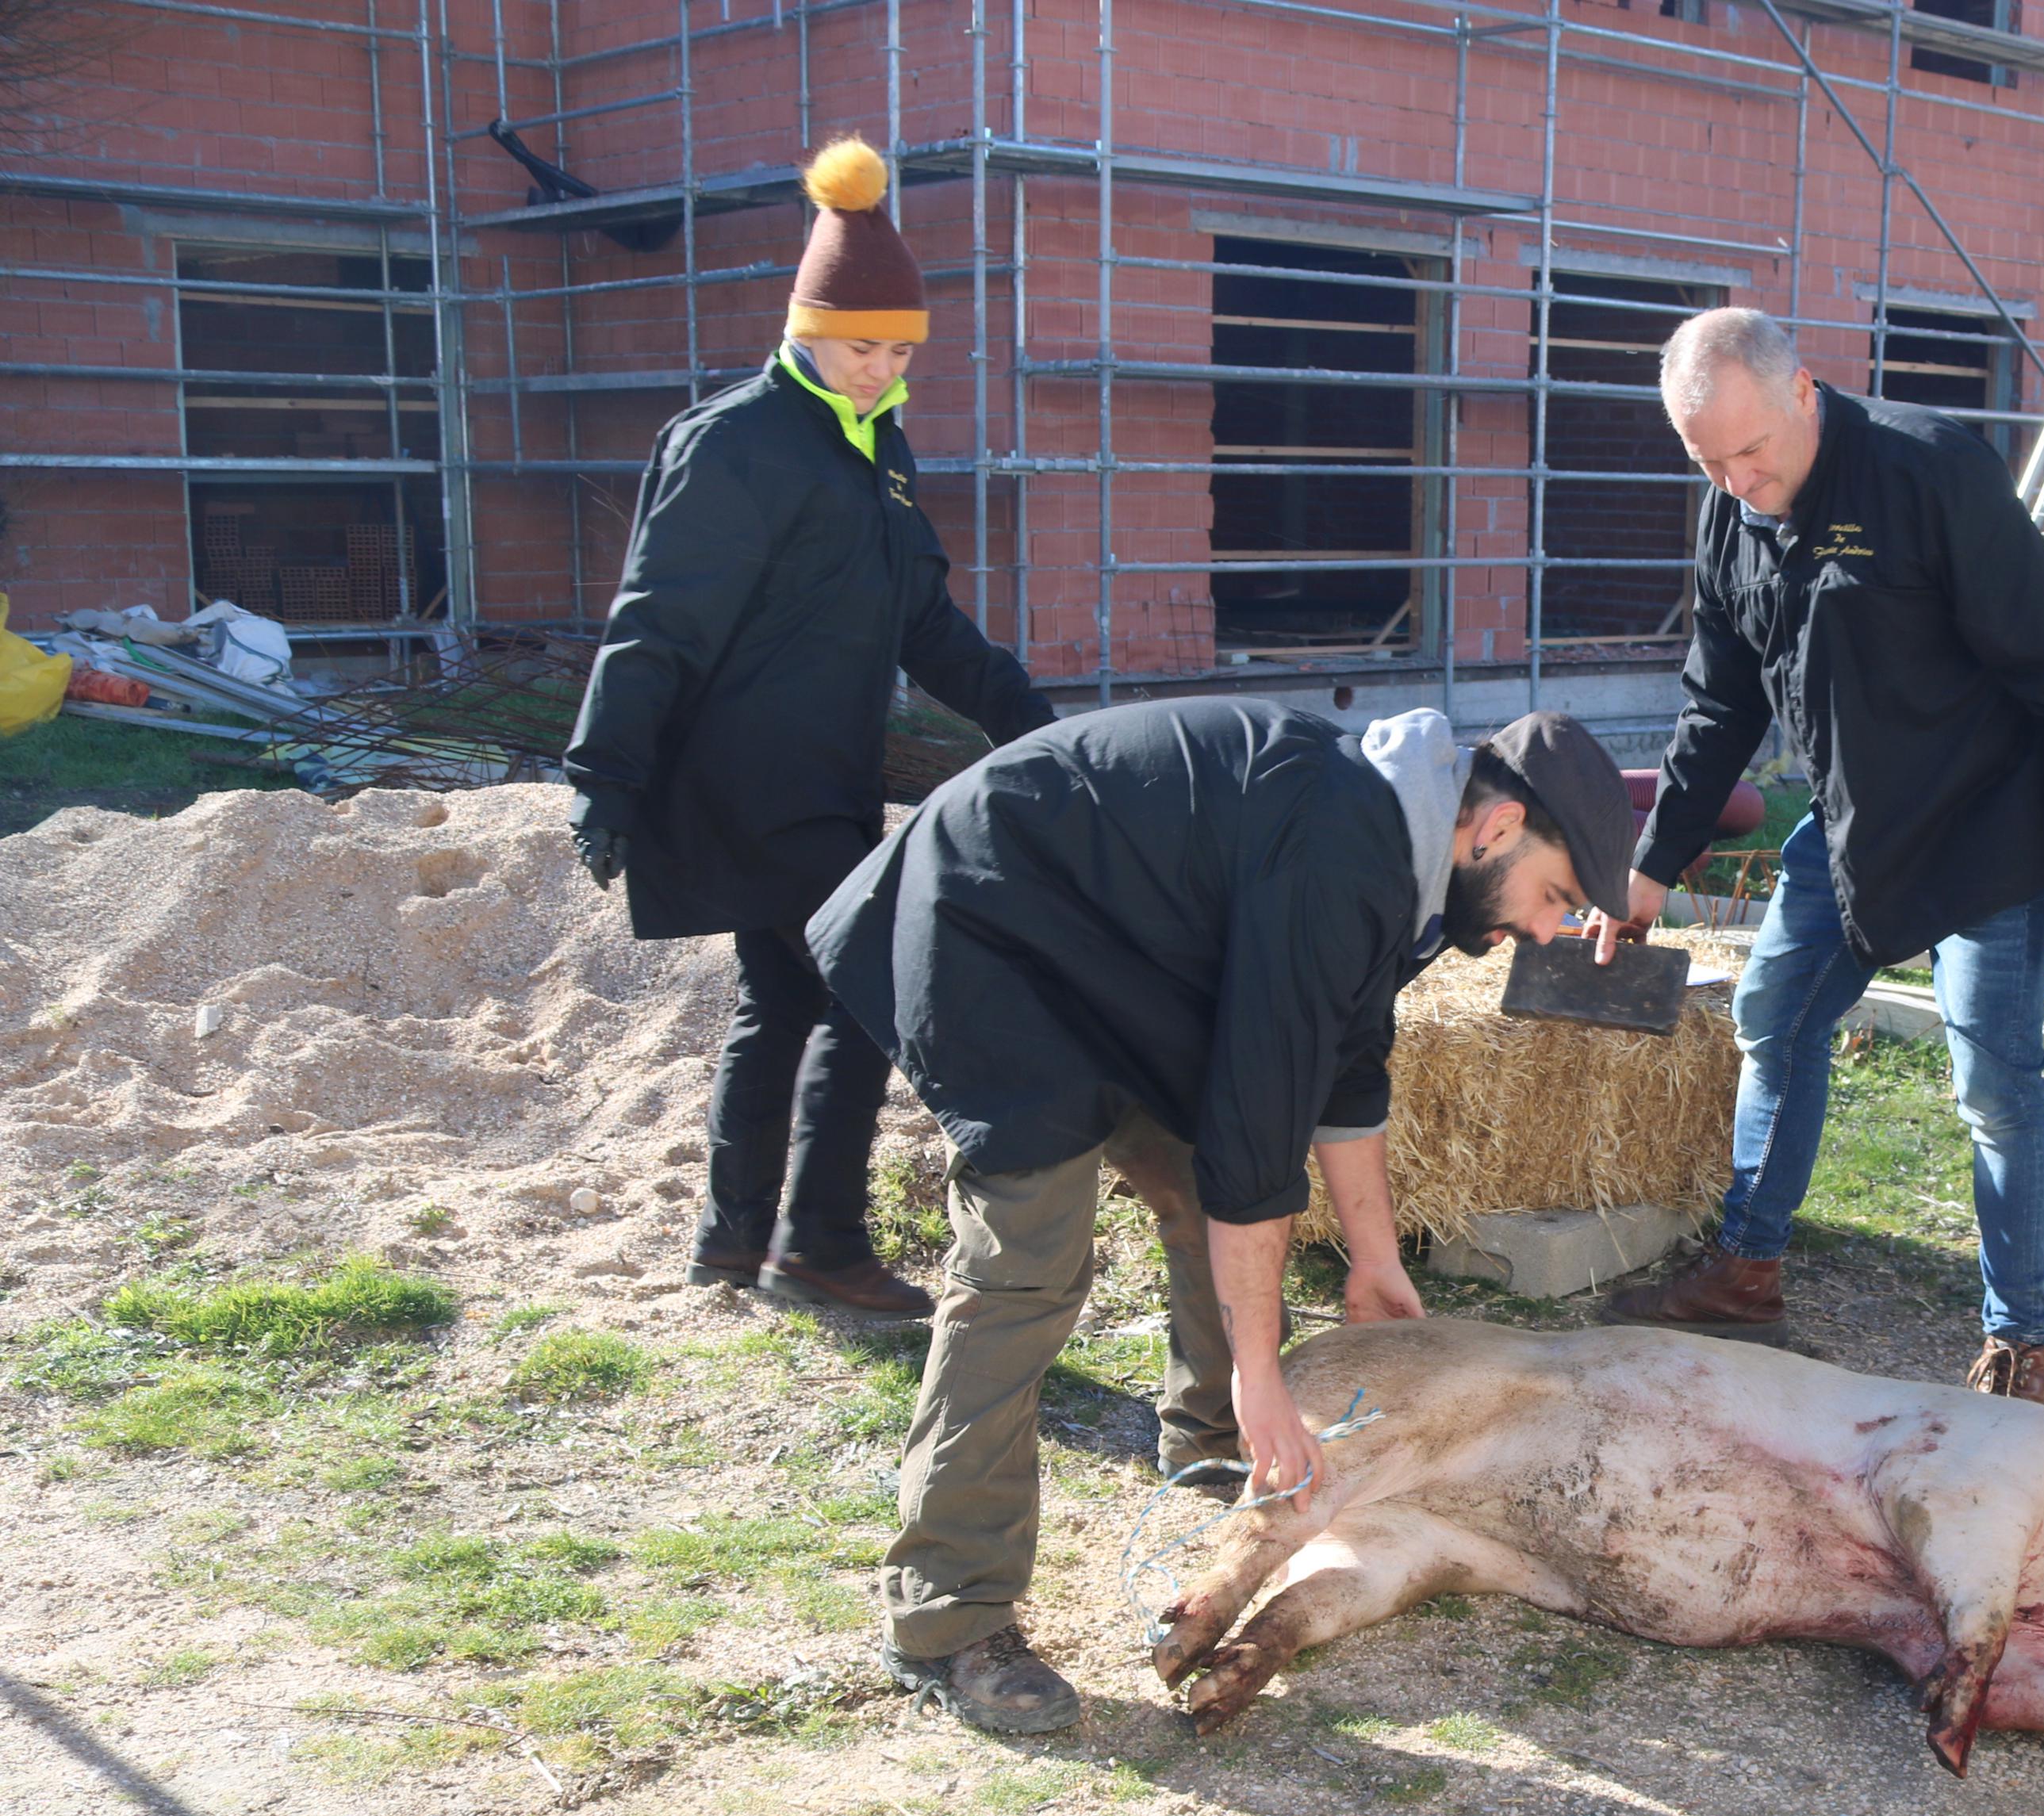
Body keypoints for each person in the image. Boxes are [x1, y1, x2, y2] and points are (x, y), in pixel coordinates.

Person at [807, 696, 1636, 1734]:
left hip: (1111, 953)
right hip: (992, 926)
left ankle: (1206, 1441)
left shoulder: (1411, 853)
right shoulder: (1346, 848)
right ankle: (947, 1616)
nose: (1546, 928)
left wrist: (1374, 1257)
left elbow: (1342, 1053)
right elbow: (1257, 1131)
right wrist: (1261, 1365)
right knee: (1028, 1267)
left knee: (1194, 1165)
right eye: (1554, 894)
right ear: (1498, 827)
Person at [1599, 308, 2044, 1400]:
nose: (1738, 478)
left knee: (1992, 1080)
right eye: (1709, 460)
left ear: (1804, 393)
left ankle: (2017, 1340)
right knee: (1772, 1016)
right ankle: (1745, 1269)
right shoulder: (1728, 515)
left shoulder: (1927, 470)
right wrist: (1652, 863)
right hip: (1852, 826)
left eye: (1752, 450)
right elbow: (1717, 704)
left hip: (1989, 826)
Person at [562, 135, 1053, 1321]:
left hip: (827, 774)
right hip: (744, 774)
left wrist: (1027, 724)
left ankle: (735, 1240)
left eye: (898, 352)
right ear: (802, 327)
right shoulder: (735, 443)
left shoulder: (875, 447)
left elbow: (920, 618)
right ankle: (819, 1242)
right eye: (859, 346)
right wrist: (604, 774)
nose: (880, 369)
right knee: (863, 988)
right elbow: (655, 620)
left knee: (779, 999)